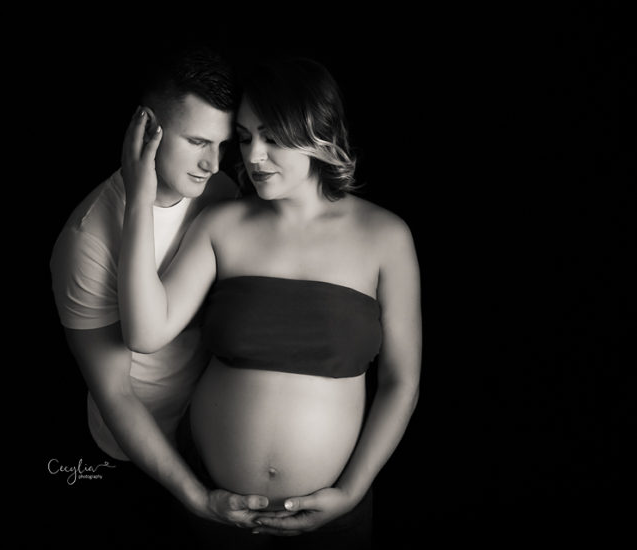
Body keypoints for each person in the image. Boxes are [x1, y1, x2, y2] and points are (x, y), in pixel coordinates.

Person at [118, 55, 422, 549]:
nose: (253, 155)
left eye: (273, 137)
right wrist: (138, 201)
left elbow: (401, 381)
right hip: (214, 510)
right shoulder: (222, 224)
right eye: (244, 136)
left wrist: (351, 490)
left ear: (317, 132)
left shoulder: (386, 236)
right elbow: (144, 333)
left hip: (333, 517)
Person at [48, 47, 273, 548]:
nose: (212, 163)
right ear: (147, 127)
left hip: (205, 432)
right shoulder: (86, 240)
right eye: (196, 141)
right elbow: (116, 394)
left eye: (220, 144)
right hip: (129, 452)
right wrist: (194, 497)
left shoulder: (218, 193)